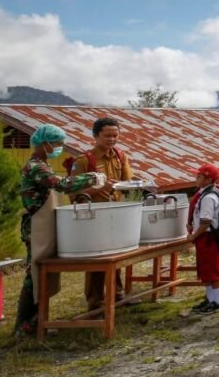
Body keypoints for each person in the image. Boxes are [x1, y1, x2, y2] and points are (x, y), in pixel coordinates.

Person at [14, 124, 106, 337]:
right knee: (34, 276)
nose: (60, 147)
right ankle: (24, 326)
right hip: (36, 227)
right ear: (44, 143)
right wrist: (91, 178)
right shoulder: (36, 167)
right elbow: (61, 184)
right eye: (57, 143)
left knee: (40, 276)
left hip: (43, 225)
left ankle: (37, 322)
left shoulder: (43, 163)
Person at [70, 117, 135, 312]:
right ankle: (95, 302)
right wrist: (97, 188)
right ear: (96, 135)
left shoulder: (121, 157)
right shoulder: (83, 161)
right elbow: (73, 193)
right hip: (93, 216)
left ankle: (117, 294)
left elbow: (128, 183)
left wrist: (120, 187)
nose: (112, 139)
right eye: (107, 135)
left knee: (115, 255)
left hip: (115, 213)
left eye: (115, 135)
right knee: (96, 258)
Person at [187, 163, 219, 313]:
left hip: (208, 237)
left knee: (212, 270)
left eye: (199, 176)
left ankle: (218, 301)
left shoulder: (209, 197)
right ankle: (210, 299)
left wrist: (193, 236)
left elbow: (206, 221)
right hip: (204, 237)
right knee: (205, 271)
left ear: (208, 180)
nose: (196, 179)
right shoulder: (203, 193)